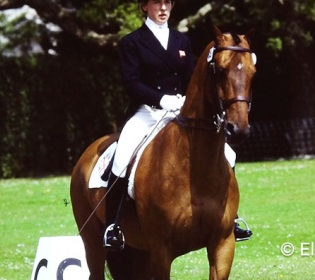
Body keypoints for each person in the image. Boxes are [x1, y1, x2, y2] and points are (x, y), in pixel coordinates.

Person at [103, 0, 252, 250]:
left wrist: (187, 101)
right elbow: (131, 83)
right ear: (144, 7)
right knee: (122, 154)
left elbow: (192, 78)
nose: (163, 8)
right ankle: (113, 225)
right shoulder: (132, 42)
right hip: (146, 112)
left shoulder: (181, 41)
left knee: (228, 152)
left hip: (179, 111)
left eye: (167, 3)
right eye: (156, 3)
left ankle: (232, 219)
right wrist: (161, 99)